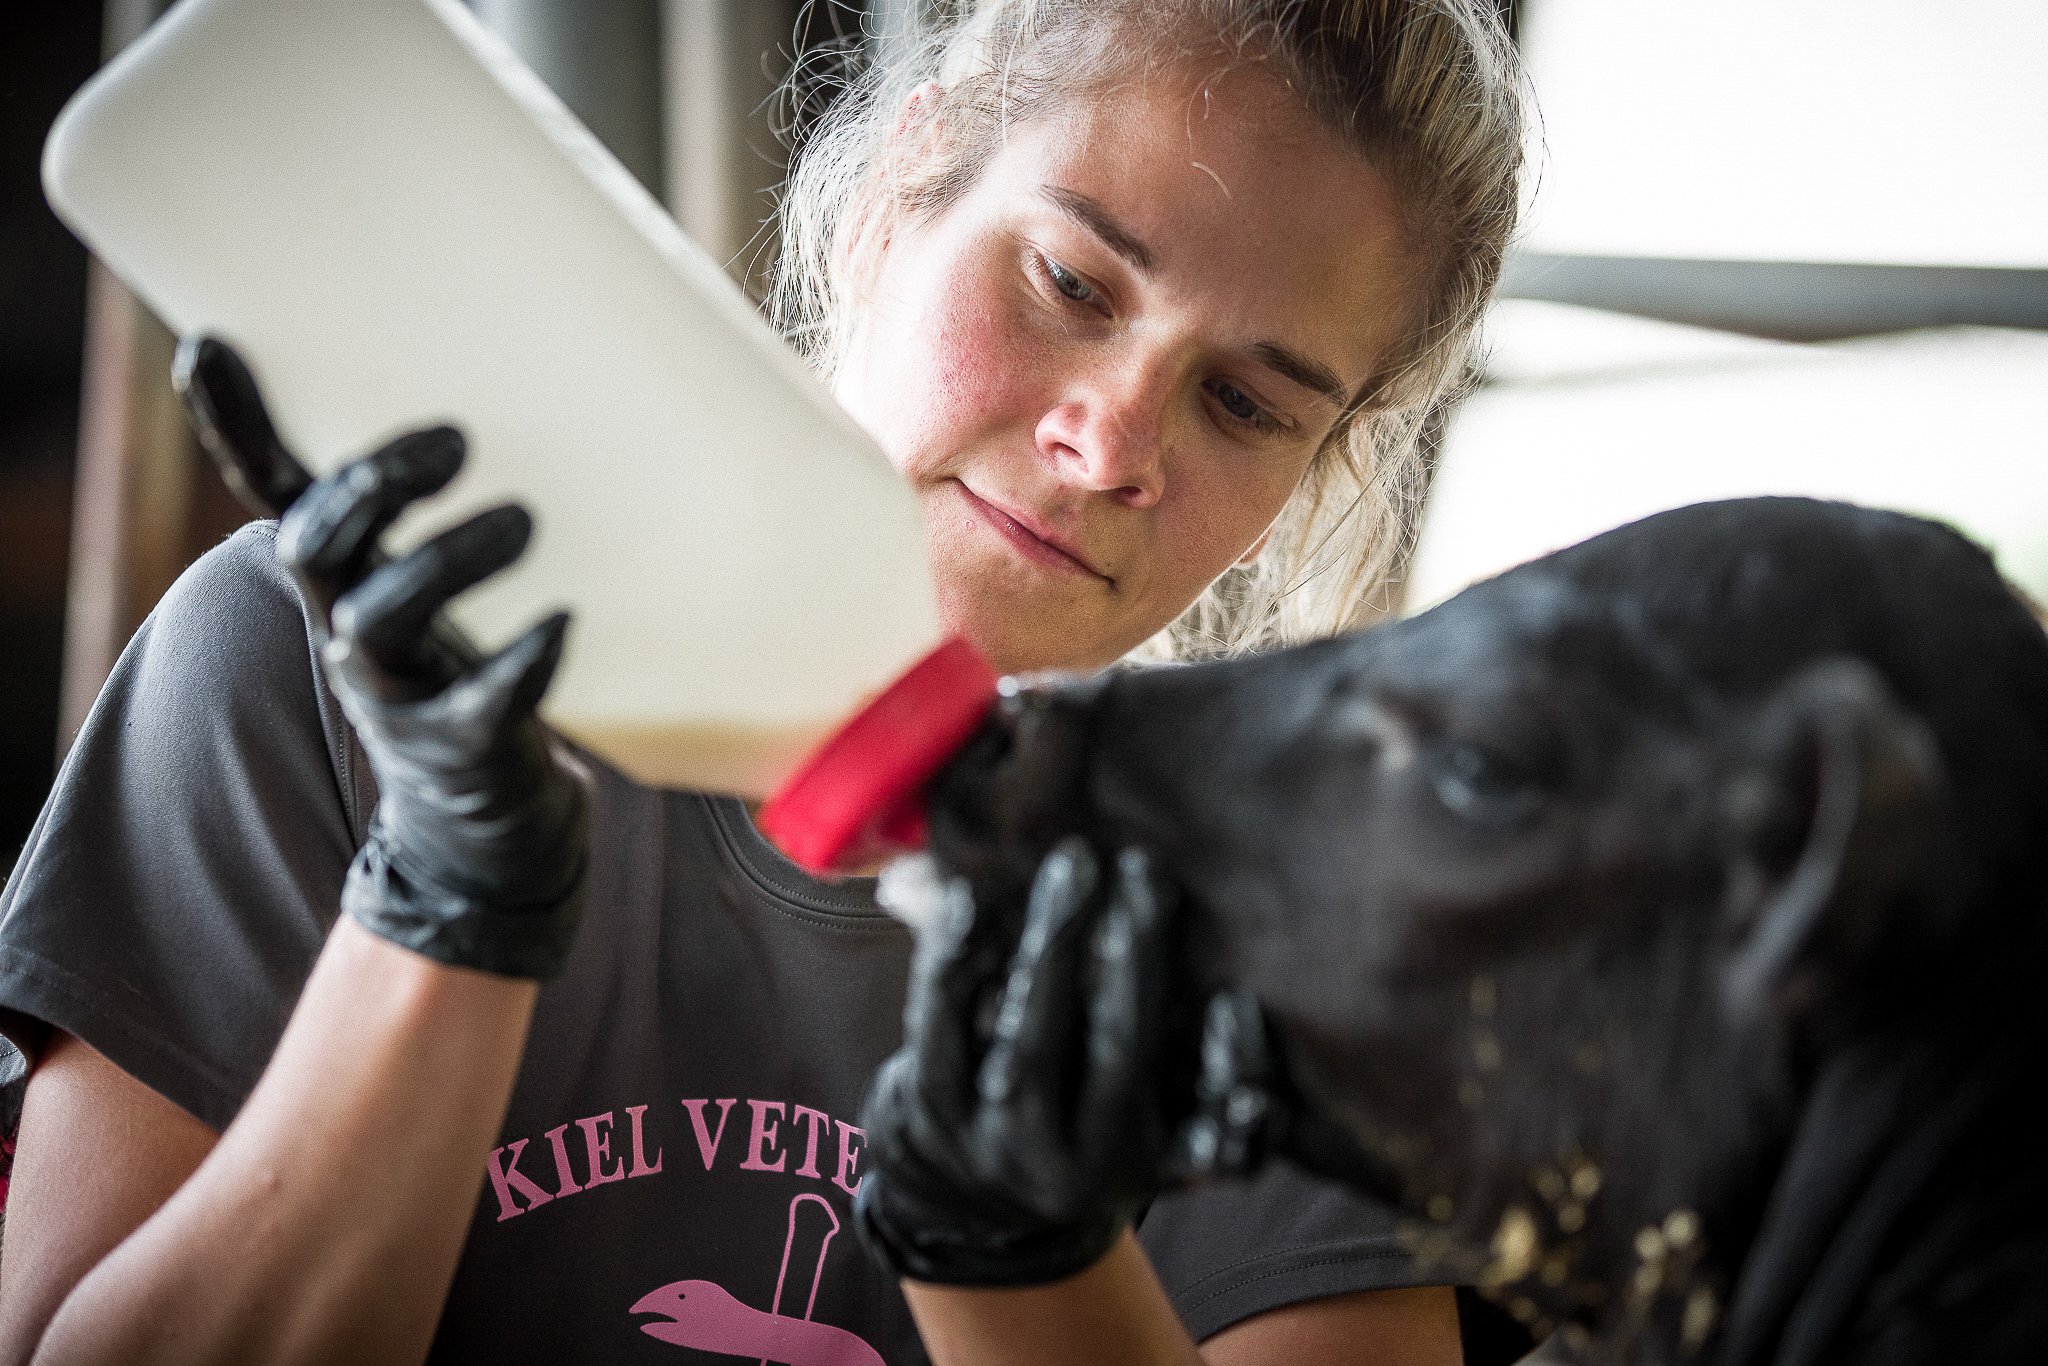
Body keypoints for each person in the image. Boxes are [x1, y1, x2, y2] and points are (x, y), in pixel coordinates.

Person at [0, 1, 1524, 1361]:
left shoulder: (1277, 931)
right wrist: (442, 912)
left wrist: (1005, 1218)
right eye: (1070, 279)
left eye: (1247, 401)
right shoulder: (322, 660)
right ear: (890, 198)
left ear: (1316, 475)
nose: (1112, 442)